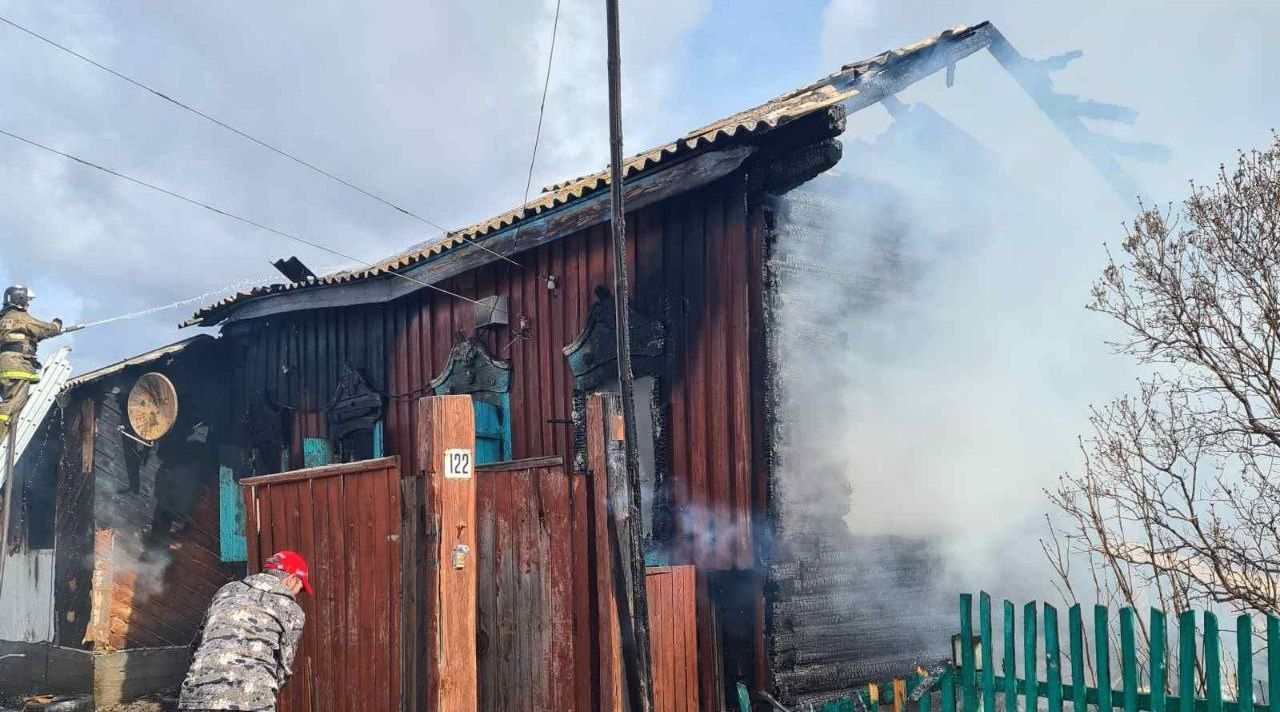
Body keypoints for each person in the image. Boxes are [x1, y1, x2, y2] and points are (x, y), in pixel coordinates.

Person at [178, 550, 311, 712]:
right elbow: (283, 668)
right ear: (290, 581)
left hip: (195, 698)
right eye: (300, 588)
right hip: (249, 701)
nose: (297, 595)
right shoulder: (291, 609)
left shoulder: (226, 591)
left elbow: (197, 645)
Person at [0, 285, 63, 442]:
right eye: (27, 301)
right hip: (17, 365)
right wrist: (56, 325)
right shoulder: (20, 317)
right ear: (20, 300)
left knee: (9, 400)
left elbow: (17, 336)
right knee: (13, 405)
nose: (28, 305)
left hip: (5, 363)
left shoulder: (4, 318)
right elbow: (44, 329)